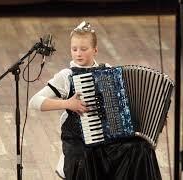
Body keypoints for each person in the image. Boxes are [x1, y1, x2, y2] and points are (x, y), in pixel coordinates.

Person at [29, 21, 162, 180]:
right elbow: (34, 101)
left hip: (108, 139)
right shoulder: (66, 76)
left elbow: (124, 104)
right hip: (78, 141)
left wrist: (151, 116)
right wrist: (67, 104)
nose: (78, 53)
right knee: (86, 156)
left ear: (95, 50)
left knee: (140, 148)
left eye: (84, 49)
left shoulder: (108, 70)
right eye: (74, 49)